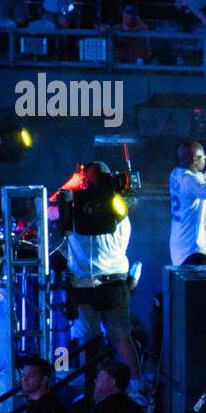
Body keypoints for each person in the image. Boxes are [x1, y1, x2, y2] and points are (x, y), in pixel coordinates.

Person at [61, 161, 142, 390]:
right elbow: (124, 243)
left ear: (85, 180)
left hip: (84, 285)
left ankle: (89, 389)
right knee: (121, 337)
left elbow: (50, 209)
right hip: (115, 282)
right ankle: (137, 387)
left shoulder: (73, 210)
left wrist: (73, 184)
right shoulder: (120, 211)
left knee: (87, 341)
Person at [169, 140, 206, 266]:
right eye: (203, 158)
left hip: (181, 248)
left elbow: (202, 179)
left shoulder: (176, 173)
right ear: (195, 159)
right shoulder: (190, 180)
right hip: (194, 250)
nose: (205, 161)